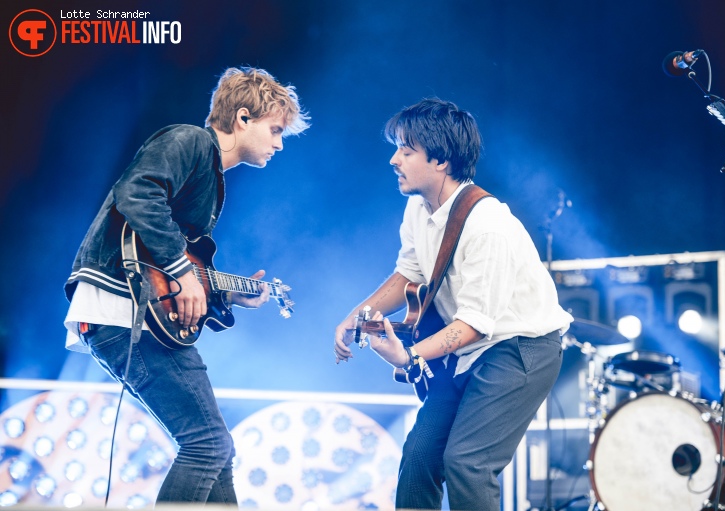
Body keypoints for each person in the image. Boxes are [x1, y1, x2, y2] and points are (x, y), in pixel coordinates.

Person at [63, 67, 309, 504]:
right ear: (243, 118)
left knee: (217, 449)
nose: (278, 143)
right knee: (207, 445)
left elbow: (176, 262)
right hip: (123, 308)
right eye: (275, 130)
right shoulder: (190, 141)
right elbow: (137, 192)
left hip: (134, 312)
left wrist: (224, 292)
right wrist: (179, 270)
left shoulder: (211, 176)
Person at [334, 98, 573, 511]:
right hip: (467, 350)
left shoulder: (488, 225)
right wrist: (357, 317)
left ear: (441, 160)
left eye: (406, 151)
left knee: (467, 463)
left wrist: (407, 355)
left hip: (520, 347)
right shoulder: (417, 207)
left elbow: (475, 324)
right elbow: (408, 274)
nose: (394, 159)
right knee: (418, 460)